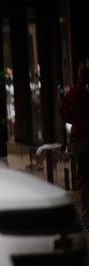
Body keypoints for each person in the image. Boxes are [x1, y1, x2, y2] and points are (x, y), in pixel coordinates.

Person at [61, 59, 89, 229]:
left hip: (81, 141)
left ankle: (87, 218)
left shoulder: (74, 93)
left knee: (84, 179)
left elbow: (65, 114)